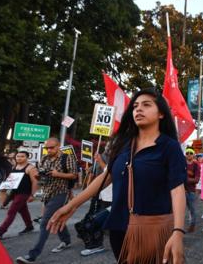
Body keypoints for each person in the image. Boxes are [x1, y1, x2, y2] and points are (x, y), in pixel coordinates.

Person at [47, 87, 186, 264]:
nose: (138, 109)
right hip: (118, 228)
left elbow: (177, 190)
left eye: (146, 105)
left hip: (152, 229)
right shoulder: (124, 144)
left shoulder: (169, 147)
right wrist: (71, 205)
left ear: (161, 114)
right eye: (135, 106)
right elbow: (105, 178)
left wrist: (178, 232)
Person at [16, 137, 78, 264]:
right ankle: (66, 240)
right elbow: (42, 176)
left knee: (45, 222)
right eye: (47, 148)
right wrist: (39, 177)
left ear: (58, 146)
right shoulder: (44, 158)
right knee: (56, 218)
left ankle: (32, 255)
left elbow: (74, 175)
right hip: (47, 193)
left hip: (61, 192)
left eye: (52, 147)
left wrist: (57, 174)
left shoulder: (67, 157)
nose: (49, 150)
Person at [0, 151, 38, 239]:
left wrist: (32, 195)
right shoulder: (15, 166)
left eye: (22, 156)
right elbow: (11, 180)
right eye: (18, 156)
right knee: (23, 210)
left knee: (11, 211)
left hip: (24, 193)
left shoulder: (30, 168)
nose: (19, 158)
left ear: (27, 158)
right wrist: (5, 187)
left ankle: (0, 232)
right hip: (14, 192)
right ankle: (29, 226)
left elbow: (35, 182)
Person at [79, 145, 111, 256]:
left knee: (97, 220)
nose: (108, 146)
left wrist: (100, 161)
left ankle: (96, 243)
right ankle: (95, 241)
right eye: (107, 145)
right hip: (99, 194)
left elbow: (109, 173)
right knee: (93, 218)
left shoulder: (116, 157)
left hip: (110, 195)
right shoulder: (101, 158)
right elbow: (94, 174)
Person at [0, 149, 11, 229]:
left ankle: (3, 204)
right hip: (2, 174)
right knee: (2, 191)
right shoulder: (2, 160)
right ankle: (3, 205)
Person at [184, 148, 200, 233]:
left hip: (191, 191)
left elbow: (197, 179)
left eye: (190, 153)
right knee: (180, 210)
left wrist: (184, 179)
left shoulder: (196, 165)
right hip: (181, 191)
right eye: (187, 153)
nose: (189, 154)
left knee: (192, 209)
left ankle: (192, 225)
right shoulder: (181, 164)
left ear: (193, 154)